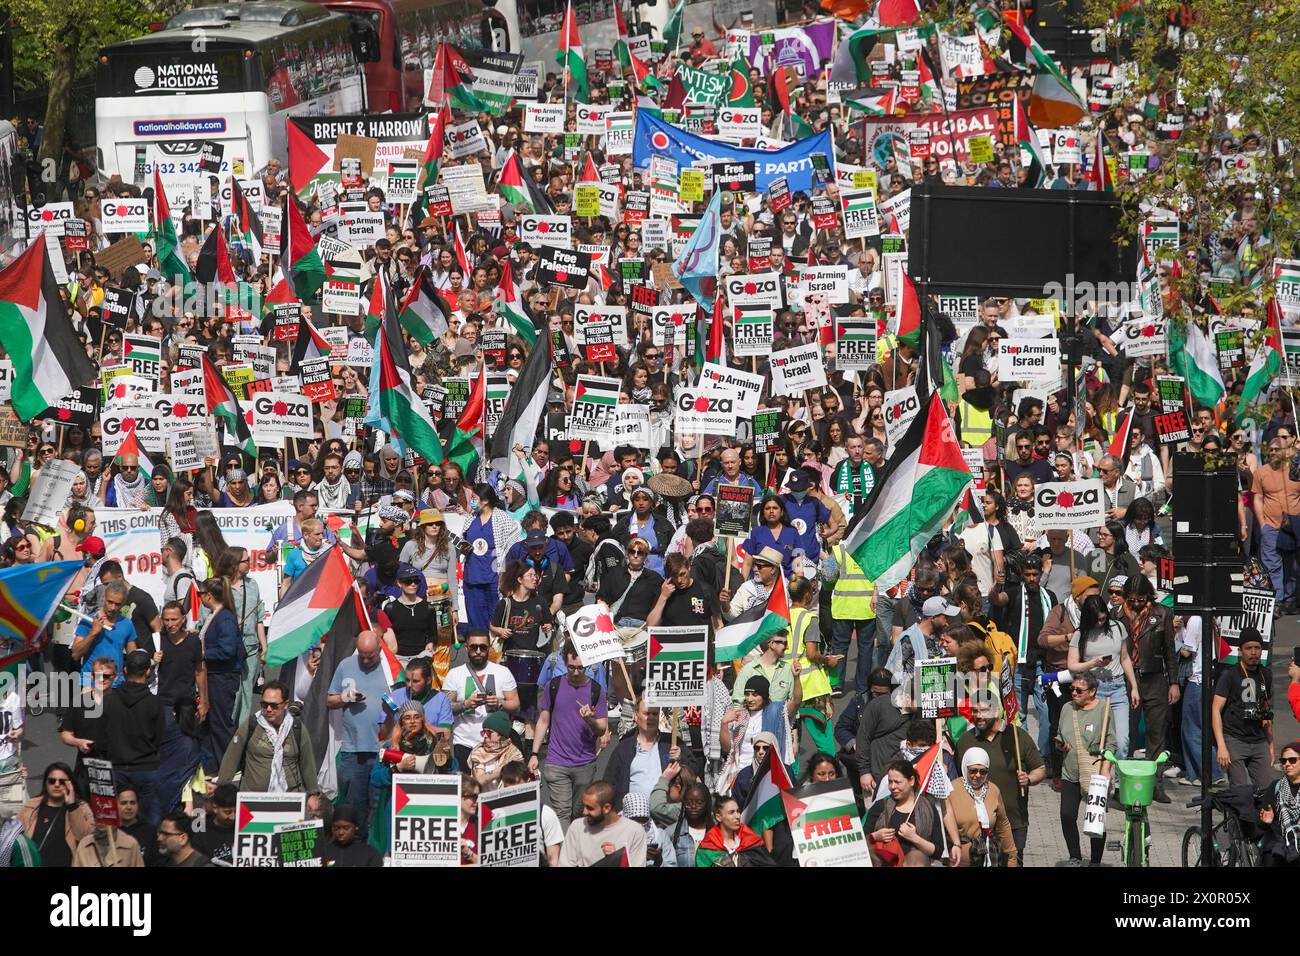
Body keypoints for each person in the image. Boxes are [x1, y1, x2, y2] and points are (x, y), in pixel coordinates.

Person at [531, 642, 609, 829]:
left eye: (580, 668)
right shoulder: (554, 686)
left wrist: (590, 719)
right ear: (565, 664)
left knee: (579, 813)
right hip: (556, 762)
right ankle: (562, 857)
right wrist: (534, 754)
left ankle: (575, 849)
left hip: (585, 763)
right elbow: (543, 721)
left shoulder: (596, 690)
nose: (575, 672)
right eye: (571, 667)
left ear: (588, 666)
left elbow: (601, 729)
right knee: (562, 813)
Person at [955, 701, 1046, 859]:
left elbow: (1040, 769)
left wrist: (1029, 779)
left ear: (997, 711)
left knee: (1013, 860)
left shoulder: (1018, 736)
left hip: (1014, 820)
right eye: (975, 711)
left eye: (983, 710)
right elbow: (957, 778)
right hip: (977, 824)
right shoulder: (965, 741)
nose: (978, 716)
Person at [326, 631, 393, 839]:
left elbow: (403, 701)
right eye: (362, 655)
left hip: (382, 751)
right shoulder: (346, 665)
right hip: (352, 749)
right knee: (354, 805)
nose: (365, 660)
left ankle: (376, 849)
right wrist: (345, 697)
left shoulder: (390, 669)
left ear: (380, 650)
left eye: (370, 656)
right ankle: (356, 849)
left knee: (378, 804)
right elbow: (329, 701)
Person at [1123, 575, 1177, 802]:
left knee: (1156, 735)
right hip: (1128, 679)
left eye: (1141, 599)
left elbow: (1169, 651)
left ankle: (1156, 785)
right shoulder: (1118, 614)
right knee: (1127, 734)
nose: (1136, 604)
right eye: (1132, 600)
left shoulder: (1162, 613)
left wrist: (1173, 682)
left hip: (1155, 679)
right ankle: (1122, 783)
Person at [1056, 670, 1116, 866]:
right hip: (1070, 770)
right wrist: (1060, 744)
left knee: (1095, 818)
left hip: (1095, 771)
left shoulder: (1104, 710)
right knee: (1067, 814)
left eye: (1079, 690)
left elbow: (1111, 743)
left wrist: (1106, 770)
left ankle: (1096, 861)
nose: (1073, 693)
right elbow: (1060, 735)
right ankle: (1075, 856)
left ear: (1092, 691)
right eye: (1072, 689)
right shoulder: (1066, 708)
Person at [102, 650, 166, 830]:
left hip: (116, 767)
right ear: (148, 672)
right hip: (146, 768)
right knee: (149, 823)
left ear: (124, 671)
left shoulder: (109, 700)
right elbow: (159, 736)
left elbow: (102, 735)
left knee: (113, 822)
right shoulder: (154, 703)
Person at [216, 680, 317, 793]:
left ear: (285, 704)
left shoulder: (297, 729)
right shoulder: (251, 725)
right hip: (252, 799)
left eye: (274, 705)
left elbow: (308, 765)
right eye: (264, 704)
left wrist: (313, 793)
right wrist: (221, 790)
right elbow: (231, 758)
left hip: (289, 799)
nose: (268, 709)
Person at [602, 699, 699, 809]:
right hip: (632, 817)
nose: (651, 717)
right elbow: (609, 782)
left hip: (665, 816)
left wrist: (681, 760)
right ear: (635, 715)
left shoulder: (672, 743)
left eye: (655, 714)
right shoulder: (624, 748)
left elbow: (694, 772)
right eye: (647, 713)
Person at [445, 631, 521, 770]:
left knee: (493, 788)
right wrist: (465, 705)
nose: (478, 651)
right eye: (474, 647)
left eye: (483, 647)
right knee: (467, 789)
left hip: (496, 744)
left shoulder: (503, 672)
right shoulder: (454, 674)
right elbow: (445, 709)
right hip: (464, 742)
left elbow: (515, 705)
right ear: (466, 648)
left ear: (489, 648)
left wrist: (500, 703)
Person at [1212, 627, 1276, 789]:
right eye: (1248, 648)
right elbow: (1215, 710)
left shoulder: (1266, 675)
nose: (1253, 652)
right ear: (1240, 651)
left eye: (1257, 648)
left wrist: (1270, 746)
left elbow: (1266, 714)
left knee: (1268, 790)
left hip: (1258, 739)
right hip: (1234, 738)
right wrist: (1221, 746)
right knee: (1241, 791)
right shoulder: (1230, 675)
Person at [197, 579, 243, 773]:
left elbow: (227, 650)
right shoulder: (214, 616)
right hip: (214, 675)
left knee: (221, 722)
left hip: (222, 677)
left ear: (209, 595)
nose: (199, 598)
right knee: (212, 721)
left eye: (201, 594)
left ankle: (231, 766)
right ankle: (214, 765)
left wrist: (203, 654)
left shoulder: (224, 618)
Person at [864, 759, 947, 867]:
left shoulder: (928, 808)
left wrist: (914, 837)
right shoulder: (881, 807)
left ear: (911, 781)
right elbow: (861, 840)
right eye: (890, 782)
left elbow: (937, 851)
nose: (893, 787)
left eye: (897, 782)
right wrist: (875, 836)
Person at [949, 747, 1019, 867]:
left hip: (990, 857)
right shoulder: (951, 790)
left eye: (983, 771)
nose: (977, 775)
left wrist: (1012, 857)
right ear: (965, 768)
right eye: (973, 770)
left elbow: (1003, 825)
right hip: (959, 860)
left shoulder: (993, 790)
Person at [18, 762, 93, 868]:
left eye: (62, 782)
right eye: (52, 781)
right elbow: (16, 839)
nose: (56, 785)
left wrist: (72, 806)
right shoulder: (31, 806)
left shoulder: (82, 808)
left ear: (70, 784)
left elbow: (85, 837)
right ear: (46, 783)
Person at [558, 781, 648, 867]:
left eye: (590, 808)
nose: (584, 812)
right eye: (584, 806)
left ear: (607, 808)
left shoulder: (635, 831)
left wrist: (617, 860)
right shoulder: (577, 826)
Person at [70, 580, 137, 687]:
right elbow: (75, 655)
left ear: (123, 603)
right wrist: (93, 633)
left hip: (115, 682)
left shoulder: (127, 624)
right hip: (89, 681)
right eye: (110, 602)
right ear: (104, 598)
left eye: (117, 604)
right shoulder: (88, 620)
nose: (112, 607)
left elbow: (133, 657)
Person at [693, 795, 776, 867]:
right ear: (718, 817)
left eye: (738, 811)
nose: (737, 816)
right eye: (731, 812)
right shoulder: (708, 848)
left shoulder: (751, 841)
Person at [1258, 740, 1300, 866]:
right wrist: (1265, 822)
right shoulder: (1276, 787)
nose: (1287, 764)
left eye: (1292, 760)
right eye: (1283, 761)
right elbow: (1261, 826)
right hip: (1280, 844)